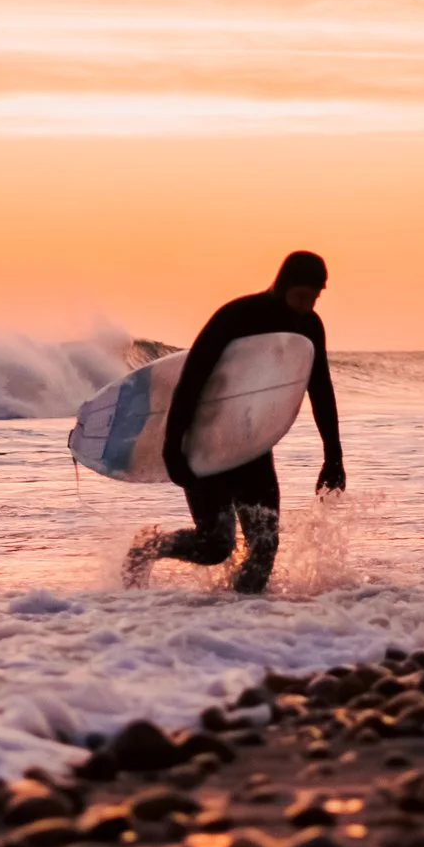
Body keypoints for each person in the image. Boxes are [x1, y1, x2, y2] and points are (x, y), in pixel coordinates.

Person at [124, 250, 345, 594]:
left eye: (315, 297)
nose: (308, 305)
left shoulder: (309, 327)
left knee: (265, 547)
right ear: (285, 285)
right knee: (214, 546)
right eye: (303, 295)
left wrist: (333, 456)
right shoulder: (239, 316)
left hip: (251, 445)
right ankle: (146, 548)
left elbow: (320, 388)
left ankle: (240, 617)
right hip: (205, 438)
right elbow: (191, 380)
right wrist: (172, 447)